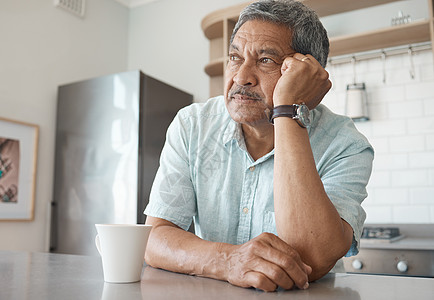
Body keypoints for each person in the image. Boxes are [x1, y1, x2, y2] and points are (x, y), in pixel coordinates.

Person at [144, 0, 374, 292]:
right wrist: (228, 260)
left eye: (266, 60)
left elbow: (313, 259)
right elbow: (155, 238)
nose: (241, 77)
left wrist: (288, 110)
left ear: (305, 73)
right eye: (235, 57)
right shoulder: (192, 125)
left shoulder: (346, 144)